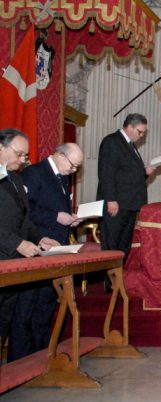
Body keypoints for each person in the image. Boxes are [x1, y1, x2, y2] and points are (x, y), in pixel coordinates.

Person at [8, 143, 84, 361]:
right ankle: (21, 361)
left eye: (77, 167)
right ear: (59, 156)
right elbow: (25, 210)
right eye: (72, 165)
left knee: (45, 306)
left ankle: (43, 356)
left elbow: (56, 206)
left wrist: (69, 218)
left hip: (55, 248)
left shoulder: (62, 176)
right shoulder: (35, 173)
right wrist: (55, 217)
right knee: (26, 308)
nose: (74, 171)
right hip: (34, 247)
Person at [0, 129, 59, 353]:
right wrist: (16, 243)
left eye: (25, 155)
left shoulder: (15, 177)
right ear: (1, 148)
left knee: (4, 321)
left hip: (14, 265)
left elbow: (25, 220)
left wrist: (39, 237)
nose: (23, 160)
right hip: (4, 254)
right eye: (19, 154)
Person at [97, 113, 155, 258]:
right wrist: (110, 199)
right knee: (112, 245)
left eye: (143, 133)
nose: (141, 135)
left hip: (129, 204)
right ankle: (109, 280)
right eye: (139, 132)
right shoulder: (112, 141)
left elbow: (127, 173)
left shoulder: (130, 146)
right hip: (116, 205)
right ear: (130, 126)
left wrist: (144, 172)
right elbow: (106, 173)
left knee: (124, 246)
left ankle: (118, 279)